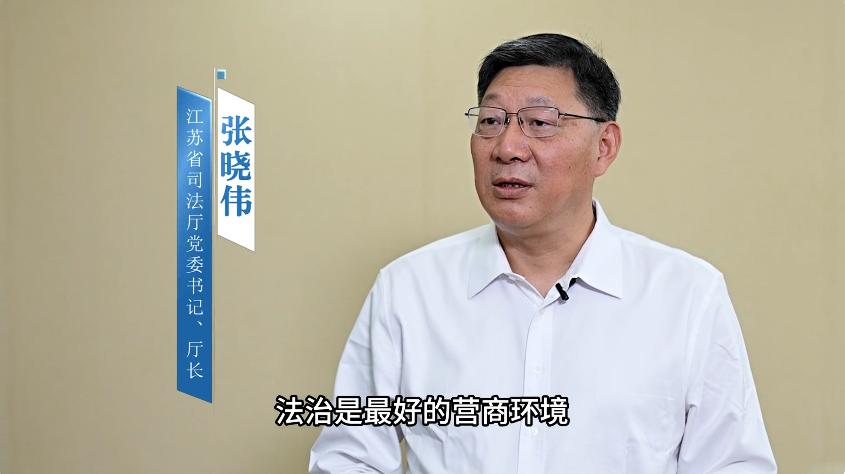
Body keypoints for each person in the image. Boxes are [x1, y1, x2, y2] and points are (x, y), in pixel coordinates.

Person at [308, 33, 776, 473]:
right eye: (491, 121)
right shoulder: (409, 288)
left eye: (540, 123)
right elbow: (349, 459)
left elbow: (732, 464)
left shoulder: (687, 294)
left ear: (604, 147)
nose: (508, 147)